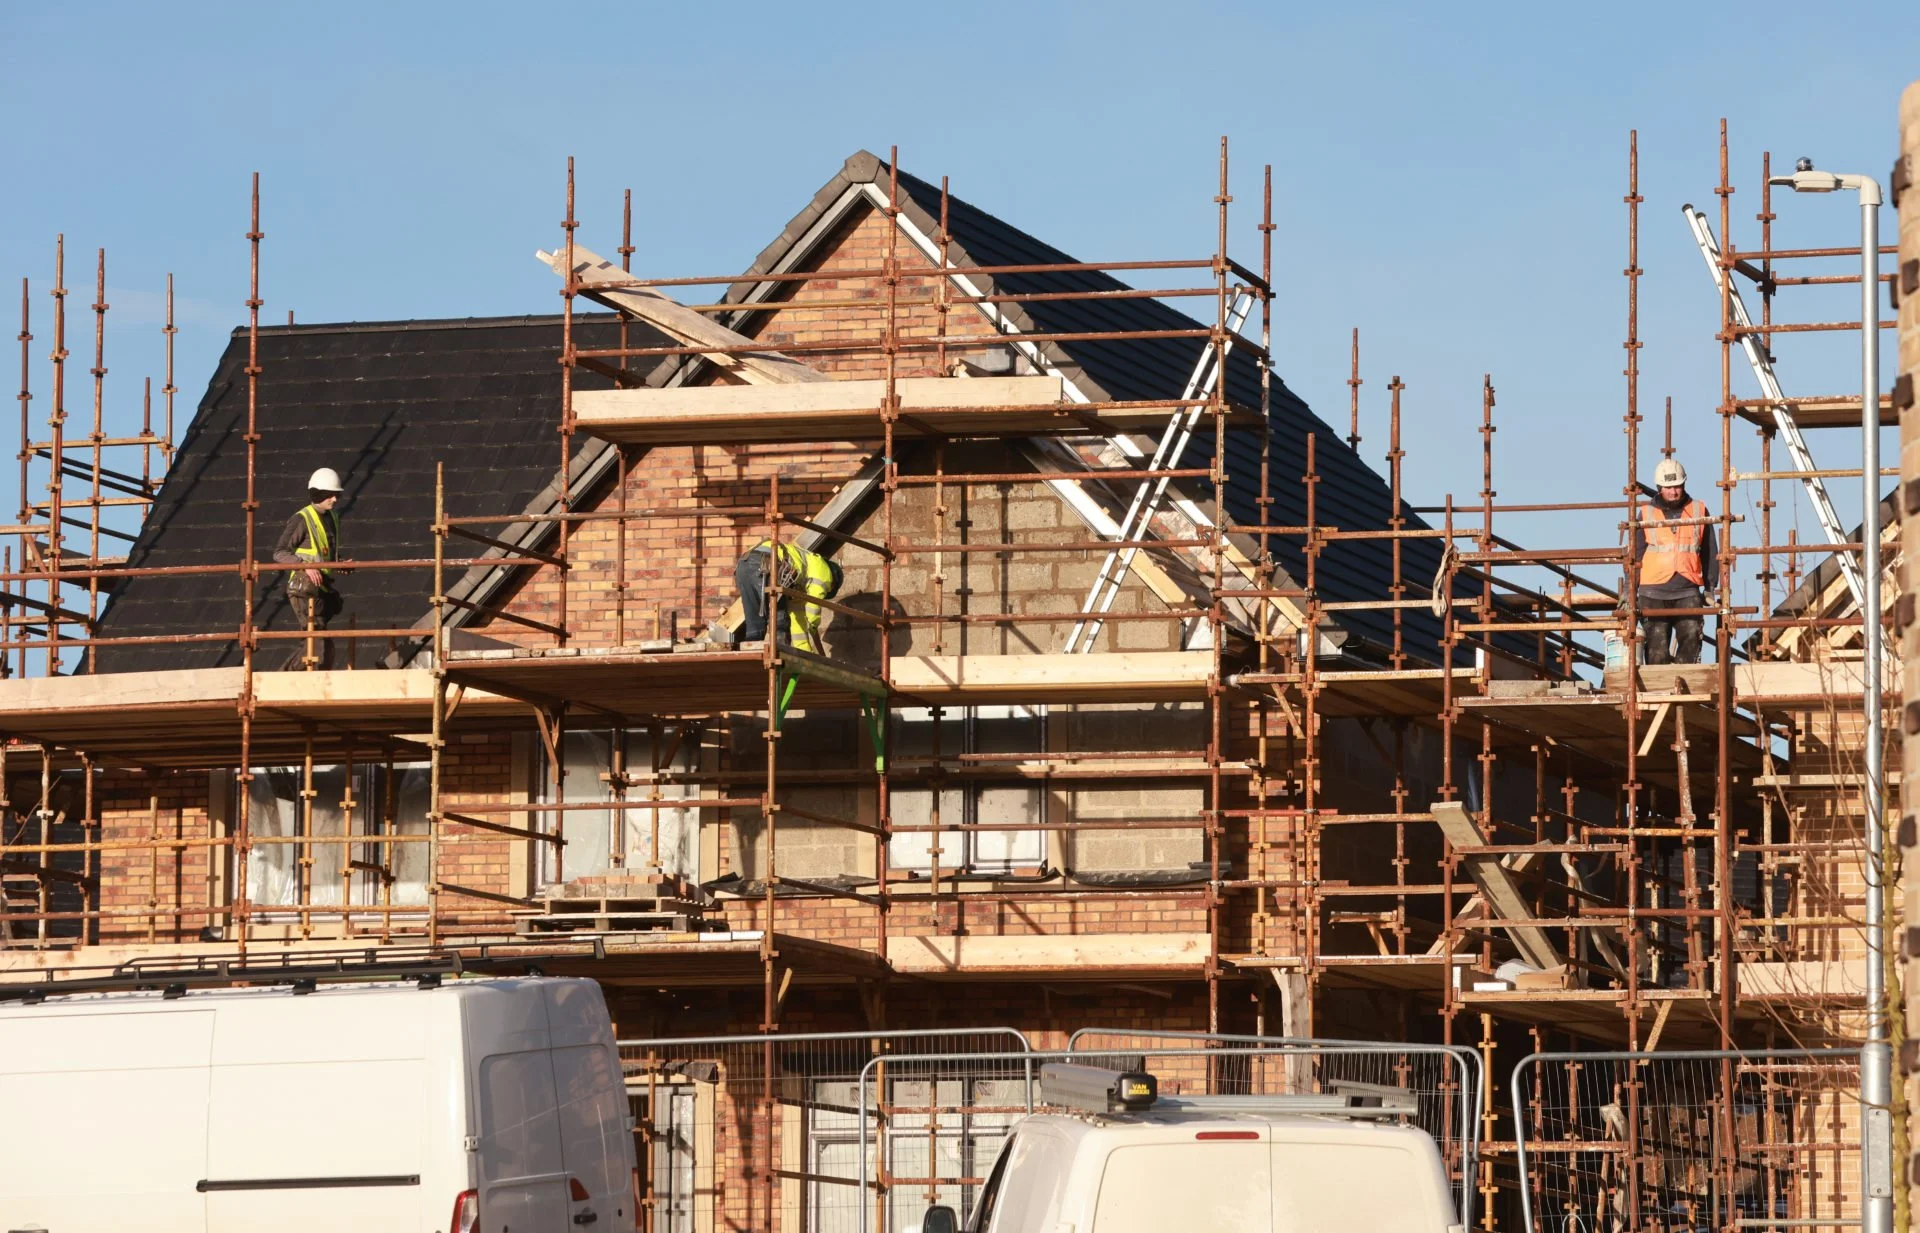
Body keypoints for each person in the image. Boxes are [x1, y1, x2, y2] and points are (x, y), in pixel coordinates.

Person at [1629, 457, 1717, 665]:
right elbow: (1635, 555)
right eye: (1668, 487)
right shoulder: (1647, 513)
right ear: (1660, 487)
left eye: (1677, 486)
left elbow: (1710, 551)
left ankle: (1683, 691)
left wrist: (1710, 587)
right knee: (1656, 649)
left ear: (1684, 484)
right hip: (1652, 591)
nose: (1673, 491)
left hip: (1687, 588)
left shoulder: (1698, 510)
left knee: (1691, 638)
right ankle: (1660, 694)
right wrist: (1629, 589)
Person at [273, 467, 345, 669]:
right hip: (303, 587)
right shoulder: (302, 519)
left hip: (320, 588)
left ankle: (296, 678)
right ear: (318, 494)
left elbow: (324, 553)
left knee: (321, 643)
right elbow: (280, 553)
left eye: (336, 495)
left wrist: (339, 563)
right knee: (316, 641)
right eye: (329, 495)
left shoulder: (332, 518)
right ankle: (284, 679)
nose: (334, 499)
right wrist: (305, 567)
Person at [735, 538, 843, 652]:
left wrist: (804, 652)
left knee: (755, 625)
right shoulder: (825, 573)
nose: (825, 591)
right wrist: (813, 624)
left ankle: (754, 664)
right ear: (833, 581)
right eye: (828, 590)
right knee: (780, 622)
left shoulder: (802, 580)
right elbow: (814, 605)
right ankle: (779, 662)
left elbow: (798, 619)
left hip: (744, 564)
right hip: (768, 562)